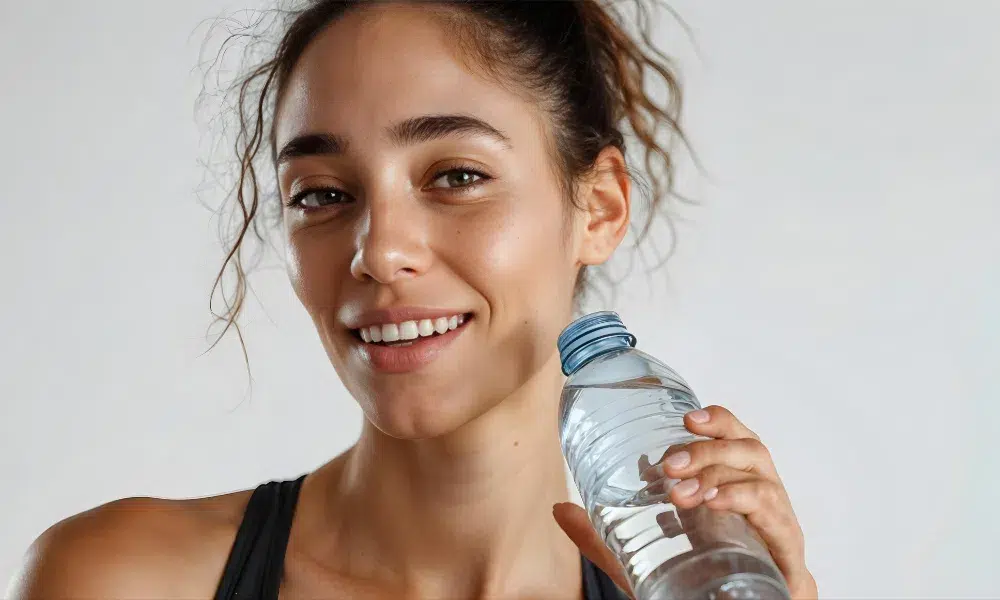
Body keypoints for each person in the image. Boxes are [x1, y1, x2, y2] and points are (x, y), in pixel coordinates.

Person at [10, 1, 817, 598]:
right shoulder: (123, 580)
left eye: (456, 176)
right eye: (322, 195)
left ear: (598, 207)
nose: (379, 251)